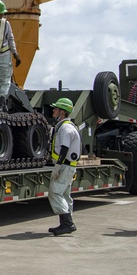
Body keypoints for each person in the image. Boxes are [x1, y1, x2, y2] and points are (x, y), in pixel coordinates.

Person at [47, 97, 81, 235]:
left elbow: (64, 147)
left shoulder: (65, 128)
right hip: (67, 166)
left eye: (55, 108)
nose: (53, 110)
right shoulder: (64, 126)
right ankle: (65, 223)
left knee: (54, 192)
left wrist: (58, 165)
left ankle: (67, 224)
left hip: (65, 166)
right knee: (65, 195)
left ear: (62, 112)